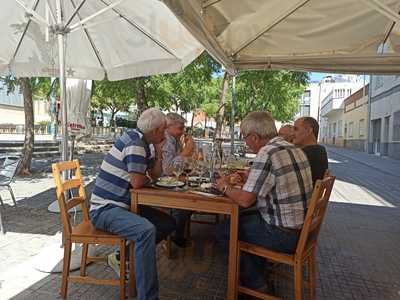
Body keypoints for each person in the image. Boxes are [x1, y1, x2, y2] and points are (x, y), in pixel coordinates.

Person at [214, 111, 313, 292]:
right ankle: (257, 275)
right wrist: (250, 176)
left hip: (283, 236)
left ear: (255, 137)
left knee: (225, 230)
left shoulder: (267, 152)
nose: (245, 142)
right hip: (301, 230)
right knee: (243, 220)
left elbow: (245, 200)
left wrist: (223, 186)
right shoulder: (294, 149)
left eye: (245, 138)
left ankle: (256, 285)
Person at [89, 108, 176, 300]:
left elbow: (154, 175)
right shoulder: (136, 142)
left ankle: (127, 257)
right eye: (164, 130)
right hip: (105, 209)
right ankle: (147, 296)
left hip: (124, 205)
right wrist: (145, 177)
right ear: (155, 130)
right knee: (146, 231)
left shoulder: (145, 143)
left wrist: (160, 154)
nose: (165, 134)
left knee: (167, 224)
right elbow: (138, 182)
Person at [162, 112, 194, 248]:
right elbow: (168, 169)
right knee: (186, 201)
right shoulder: (167, 140)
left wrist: (189, 150)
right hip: (160, 184)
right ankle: (174, 234)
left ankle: (177, 233)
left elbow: (184, 164)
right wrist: (186, 151)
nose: (183, 131)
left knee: (192, 197)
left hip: (172, 181)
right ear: (168, 127)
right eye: (180, 128)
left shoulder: (175, 141)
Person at [293, 117, 328, 185]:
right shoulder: (321, 150)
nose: (292, 133)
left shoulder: (302, 154)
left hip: (303, 194)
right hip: (312, 193)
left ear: (309, 130)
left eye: (296, 129)